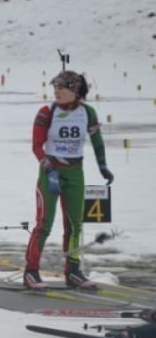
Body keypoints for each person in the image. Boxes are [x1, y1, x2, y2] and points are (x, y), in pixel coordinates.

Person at [23, 70, 113, 289]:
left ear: (76, 91)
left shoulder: (88, 113)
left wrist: (103, 166)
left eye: (61, 88)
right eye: (55, 88)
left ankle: (73, 270)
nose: (56, 92)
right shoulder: (47, 112)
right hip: (50, 172)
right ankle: (31, 271)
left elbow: (97, 141)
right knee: (44, 223)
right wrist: (49, 170)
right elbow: (36, 146)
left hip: (75, 172)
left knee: (75, 225)